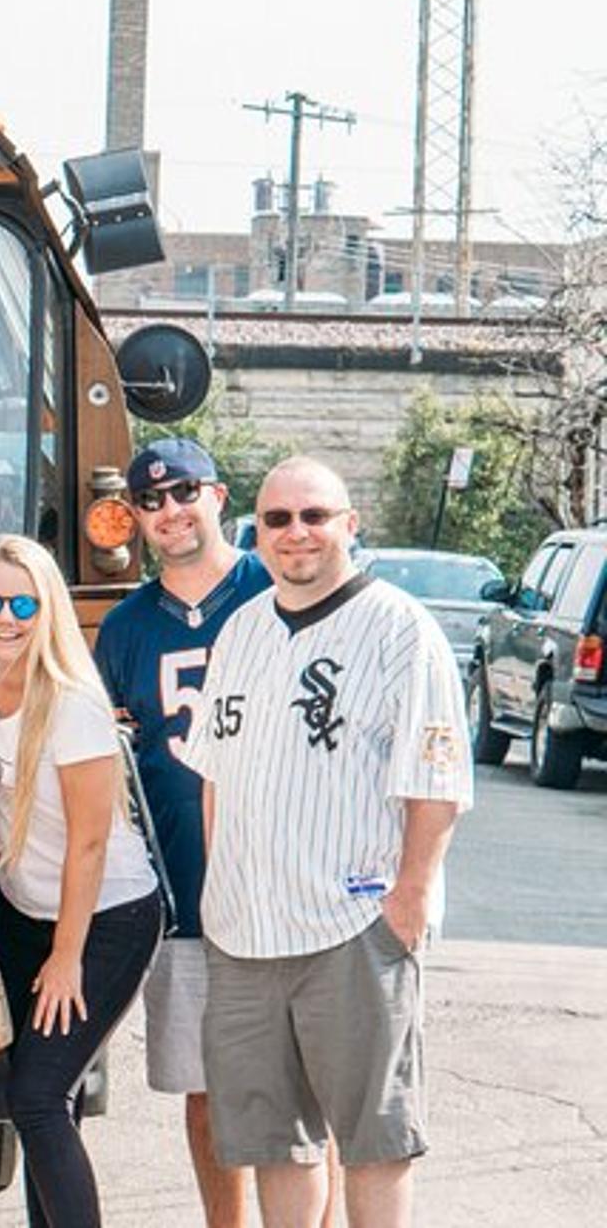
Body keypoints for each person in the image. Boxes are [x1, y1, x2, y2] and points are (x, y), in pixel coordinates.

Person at [184, 458, 473, 1228]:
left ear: (351, 523)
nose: (295, 532)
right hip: (245, 934)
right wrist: (223, 887)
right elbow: (215, 771)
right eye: (276, 519)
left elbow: (437, 781)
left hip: (351, 925)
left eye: (314, 515)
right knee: (278, 1144)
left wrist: (406, 904)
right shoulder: (240, 630)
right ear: (257, 530)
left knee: (375, 1142)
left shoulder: (400, 629)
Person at [93, 438, 271, 1228]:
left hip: (284, 889)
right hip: (187, 890)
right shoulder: (126, 626)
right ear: (134, 516)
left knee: (301, 1094)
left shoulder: (273, 588)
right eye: (152, 499)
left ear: (219, 495)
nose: (170, 510)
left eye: (185, 492)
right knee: (209, 1090)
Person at [0, 533, 164, 1228]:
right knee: (53, 1102)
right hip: (26, 910)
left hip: (104, 917)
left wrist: (66, 957)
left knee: (37, 1096)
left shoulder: (73, 700)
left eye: (23, 601)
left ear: (48, 605)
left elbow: (87, 843)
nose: (5, 616)